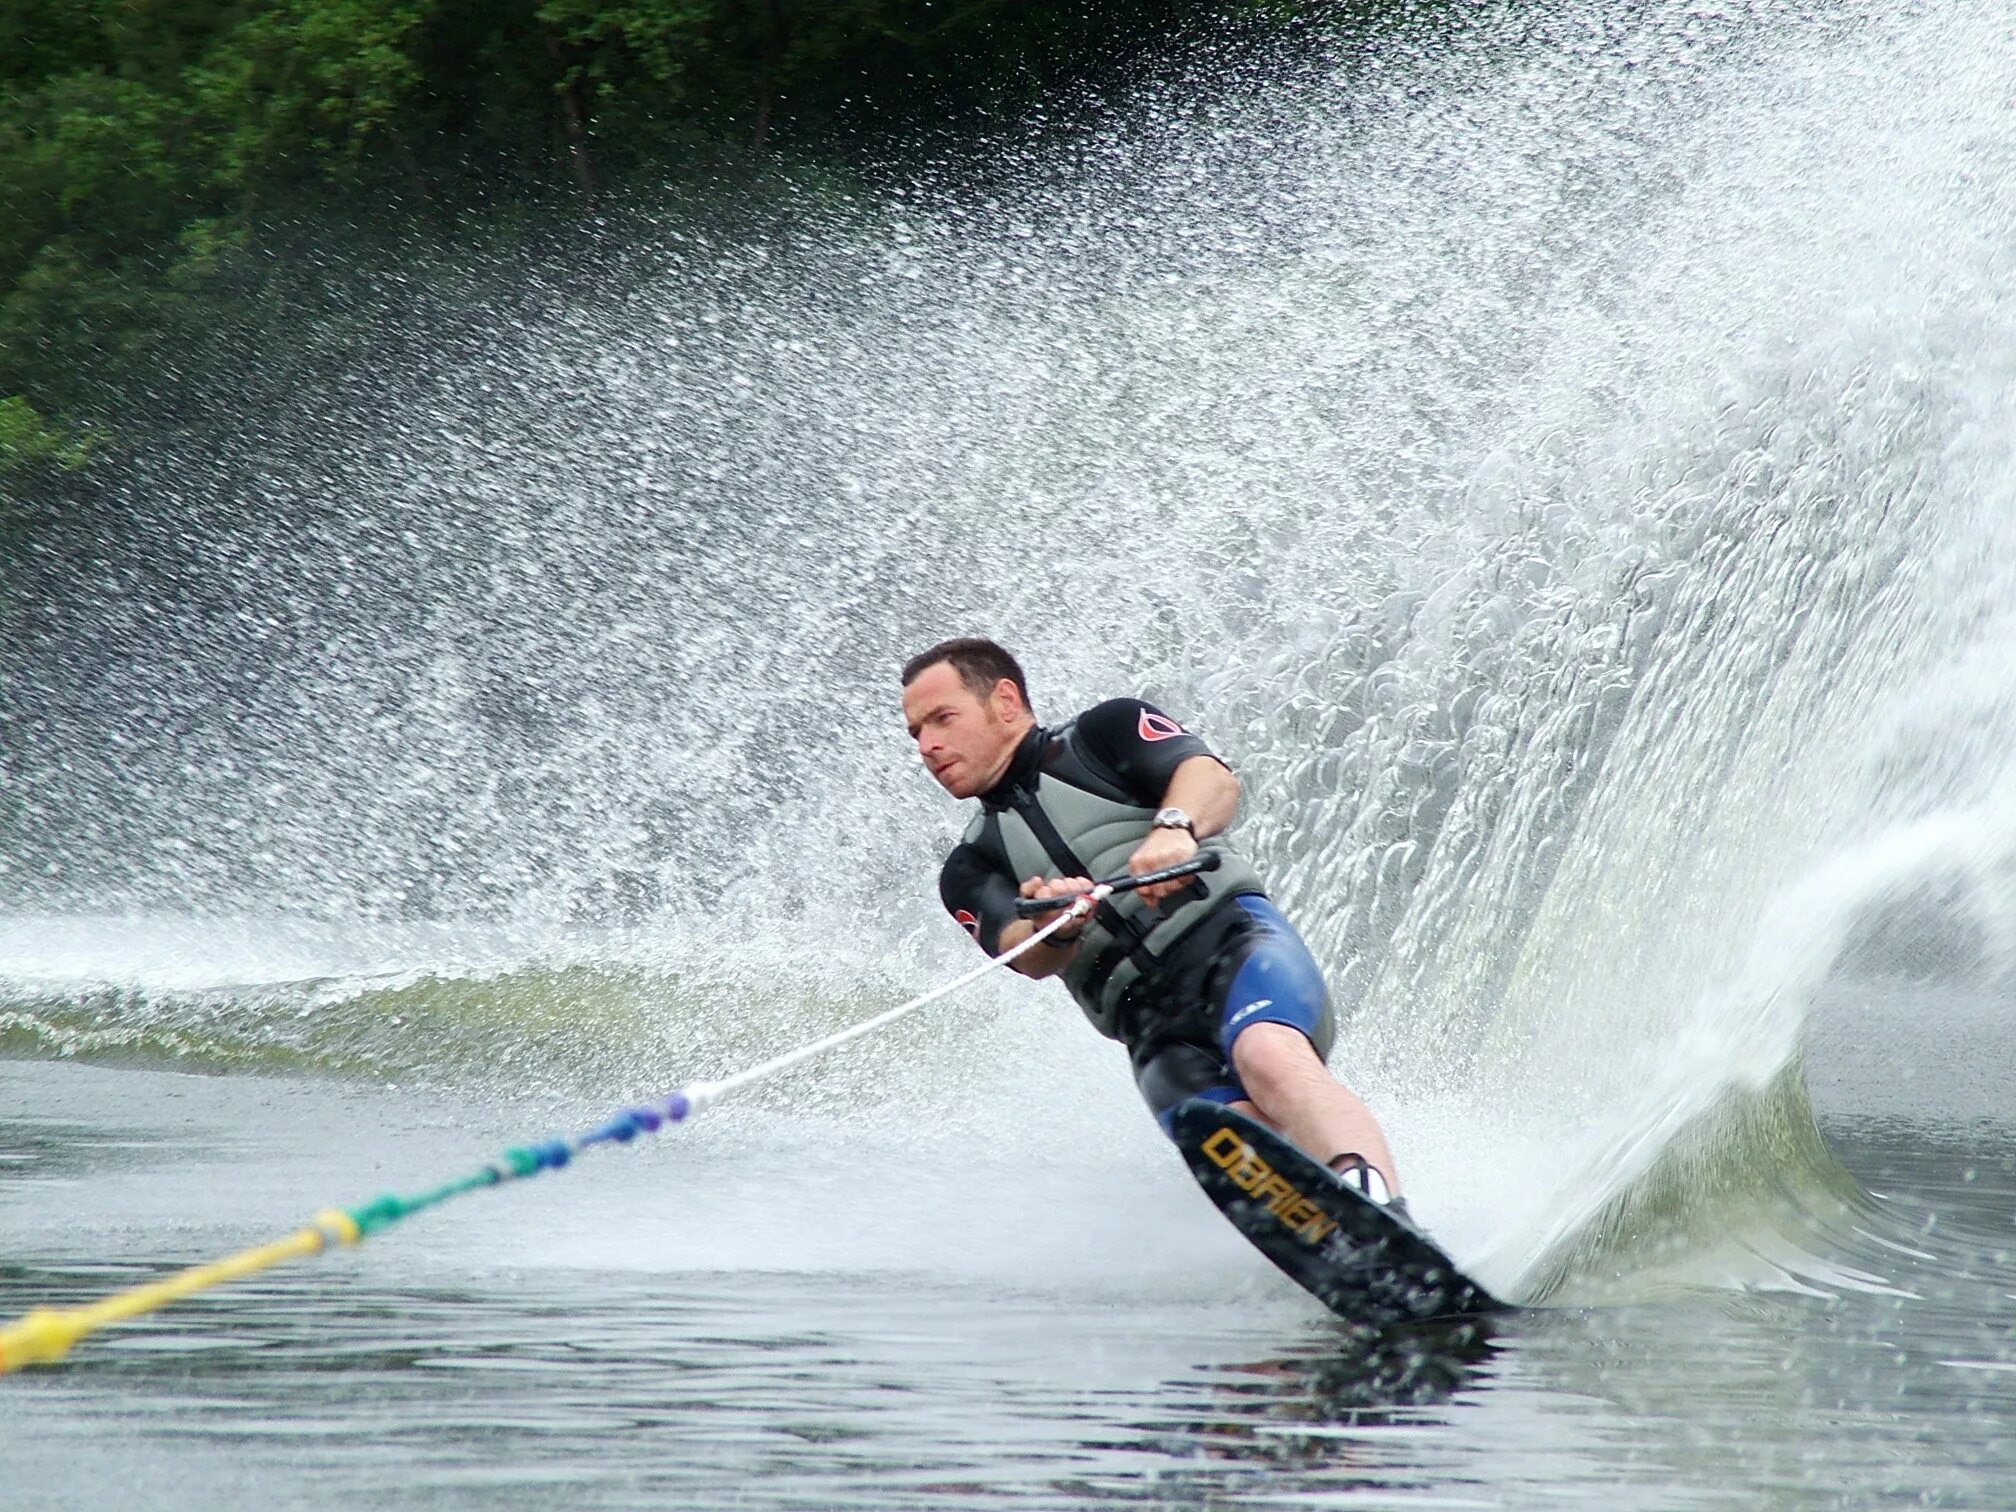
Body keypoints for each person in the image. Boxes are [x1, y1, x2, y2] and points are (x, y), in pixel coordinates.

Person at [900, 635, 1405, 1208]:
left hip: (1235, 951)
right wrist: (1058, 924)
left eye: (943, 719)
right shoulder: (968, 867)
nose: (929, 745)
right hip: (1151, 1029)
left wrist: (1174, 825)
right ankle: (1336, 1242)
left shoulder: (1105, 733)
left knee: (1267, 1058)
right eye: (916, 732)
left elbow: (1212, 779)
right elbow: (1023, 953)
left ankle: (1380, 1201)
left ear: (1006, 701)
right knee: (1223, 1134)